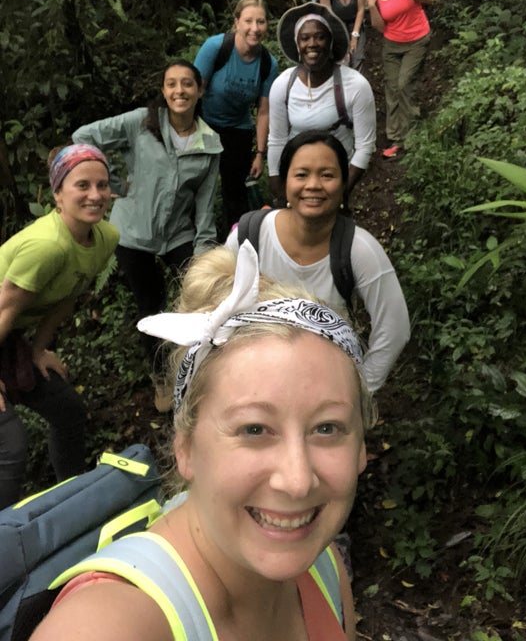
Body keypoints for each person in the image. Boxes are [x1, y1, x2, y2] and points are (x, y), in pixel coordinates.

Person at [31, 240, 371, 641]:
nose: (298, 482)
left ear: (362, 446)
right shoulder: (105, 625)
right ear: (185, 447)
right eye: (254, 429)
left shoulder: (323, 565)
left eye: (327, 428)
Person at [228, 130, 410, 394]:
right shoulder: (249, 235)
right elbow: (213, 308)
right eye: (301, 174)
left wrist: (357, 395)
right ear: (284, 181)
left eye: (327, 175)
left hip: (327, 390)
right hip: (255, 387)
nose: (313, 185)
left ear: (343, 182)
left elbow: (394, 329)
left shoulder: (359, 249)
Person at [72, 60, 222, 350]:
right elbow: (83, 137)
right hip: (133, 232)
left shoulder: (210, 143)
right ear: (164, 91)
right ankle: (160, 377)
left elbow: (205, 208)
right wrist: (111, 184)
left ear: (199, 90)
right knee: (151, 306)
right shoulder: (141, 122)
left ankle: (192, 365)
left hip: (178, 232)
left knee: (199, 299)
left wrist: (204, 258)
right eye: (171, 84)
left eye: (187, 83)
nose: (180, 90)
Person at [0, 144, 119, 510]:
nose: (95, 195)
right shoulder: (47, 246)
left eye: (102, 185)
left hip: (11, 338)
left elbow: (70, 296)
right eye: (82, 185)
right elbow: (3, 310)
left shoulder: (104, 239)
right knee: (10, 444)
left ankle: (73, 504)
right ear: (57, 195)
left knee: (67, 409)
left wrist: (38, 350)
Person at [268, 2, 376, 202]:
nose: (312, 44)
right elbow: (276, 140)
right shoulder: (283, 85)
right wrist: (281, 192)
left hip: (334, 178)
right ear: (297, 44)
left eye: (320, 37)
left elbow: (364, 145)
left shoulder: (355, 85)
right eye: (305, 38)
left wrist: (341, 193)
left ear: (331, 42)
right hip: (297, 180)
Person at [194, 0, 279, 236]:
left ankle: (236, 242)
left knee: (236, 194)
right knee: (199, 188)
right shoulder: (216, 48)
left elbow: (264, 111)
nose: (255, 28)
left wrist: (260, 154)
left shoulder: (267, 64)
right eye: (249, 21)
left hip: (238, 131)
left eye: (261, 22)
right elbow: (194, 90)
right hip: (205, 124)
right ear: (237, 22)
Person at [360, 0, 431, 159]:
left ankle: (411, 134)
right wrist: (371, 5)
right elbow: (380, 27)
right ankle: (395, 137)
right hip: (392, 44)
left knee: (404, 84)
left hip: (417, 39)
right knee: (392, 89)